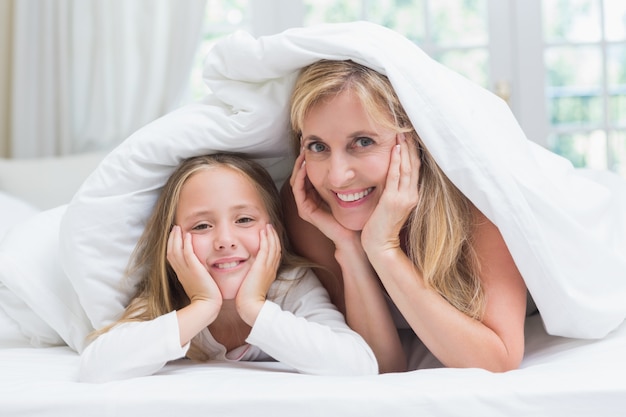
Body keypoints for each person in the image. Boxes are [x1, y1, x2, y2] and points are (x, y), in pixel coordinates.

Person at [281, 59, 528, 374]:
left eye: (363, 142)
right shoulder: (310, 204)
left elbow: (499, 360)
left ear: (413, 141)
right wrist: (350, 249)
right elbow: (379, 365)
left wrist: (383, 249)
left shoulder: (476, 199)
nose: (338, 177)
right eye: (317, 146)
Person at [79, 153, 377, 382]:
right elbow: (95, 367)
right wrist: (202, 306)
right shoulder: (167, 298)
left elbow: (358, 364)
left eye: (244, 220)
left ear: (275, 231)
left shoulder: (290, 285)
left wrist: (254, 307)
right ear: (172, 241)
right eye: (202, 225)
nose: (224, 240)